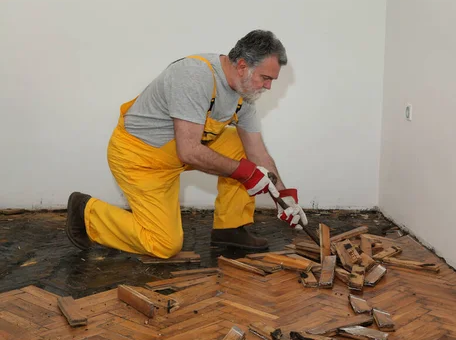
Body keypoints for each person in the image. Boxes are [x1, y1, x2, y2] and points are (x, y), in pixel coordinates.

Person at [65, 30, 308, 258]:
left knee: (240, 145)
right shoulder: (194, 76)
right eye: (265, 78)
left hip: (180, 152)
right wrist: (247, 173)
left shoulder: (244, 96)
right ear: (242, 66)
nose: (268, 86)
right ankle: (87, 212)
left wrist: (286, 199)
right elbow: (189, 151)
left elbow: (259, 155)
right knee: (164, 245)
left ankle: (229, 229)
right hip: (140, 159)